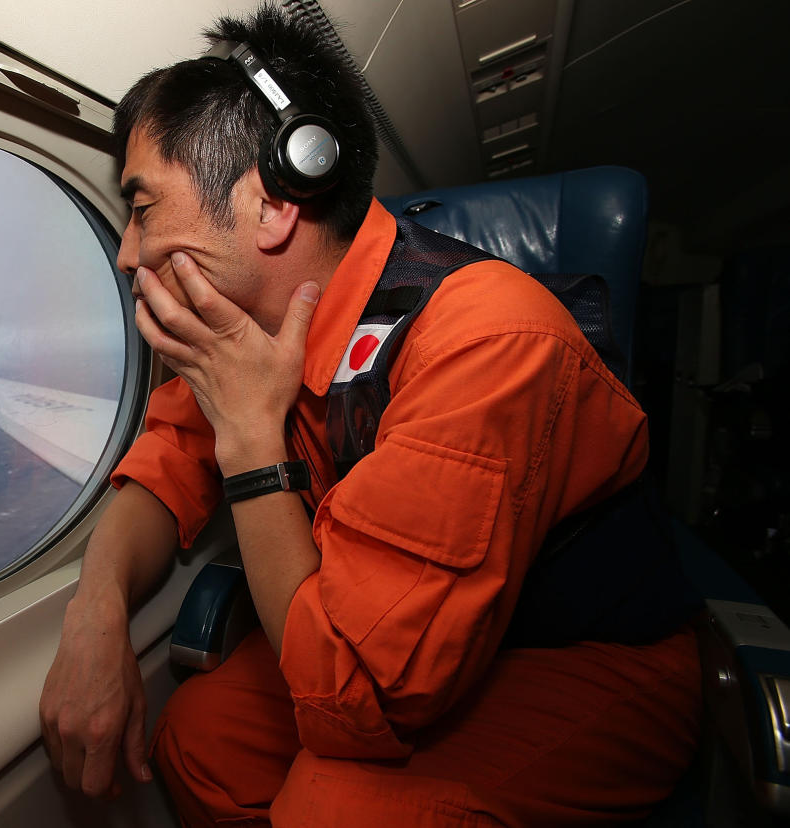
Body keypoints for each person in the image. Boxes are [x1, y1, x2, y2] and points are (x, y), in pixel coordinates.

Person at [39, 4, 700, 824]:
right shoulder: (246, 339)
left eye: (142, 209)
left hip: (588, 658)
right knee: (196, 743)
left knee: (333, 809)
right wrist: (96, 611)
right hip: (373, 633)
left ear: (275, 204)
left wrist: (251, 440)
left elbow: (364, 705)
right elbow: (165, 468)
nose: (128, 255)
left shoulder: (487, 339)